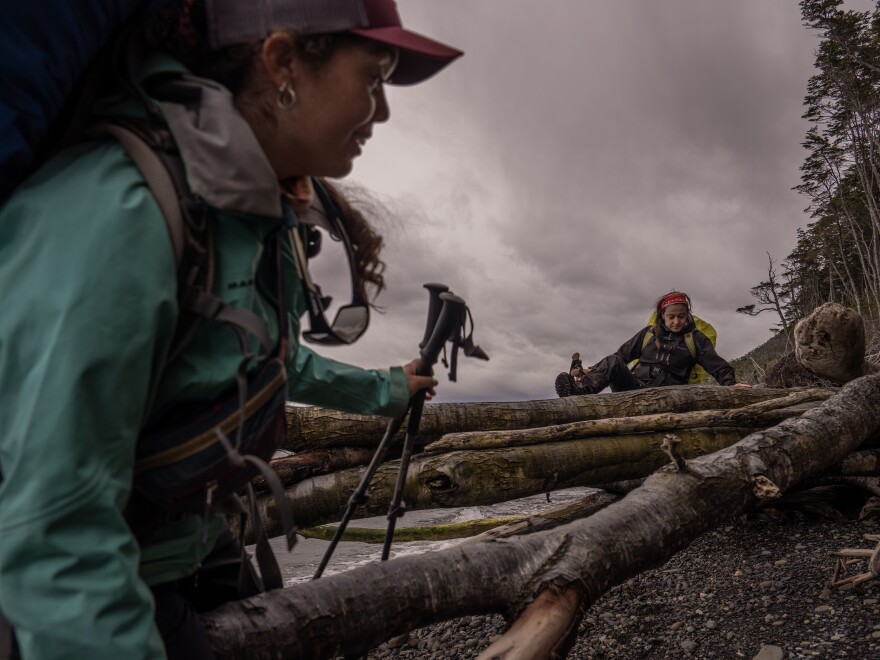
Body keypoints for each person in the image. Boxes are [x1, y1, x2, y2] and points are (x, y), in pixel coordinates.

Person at [0, 1, 462, 658]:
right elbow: (54, 534)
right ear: (282, 62)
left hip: (186, 547)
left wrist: (390, 388)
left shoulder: (251, 219)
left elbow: (275, 362)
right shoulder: (122, 212)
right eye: (376, 73)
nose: (382, 110)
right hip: (96, 583)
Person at [555, 292, 751, 397]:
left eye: (681, 317)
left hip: (668, 394)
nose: (676, 321)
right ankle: (578, 392)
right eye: (671, 317)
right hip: (634, 387)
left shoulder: (696, 340)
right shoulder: (648, 334)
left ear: (687, 315)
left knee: (614, 361)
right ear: (662, 316)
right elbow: (620, 357)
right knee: (614, 361)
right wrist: (592, 370)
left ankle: (579, 391)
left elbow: (717, 365)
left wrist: (731, 384)